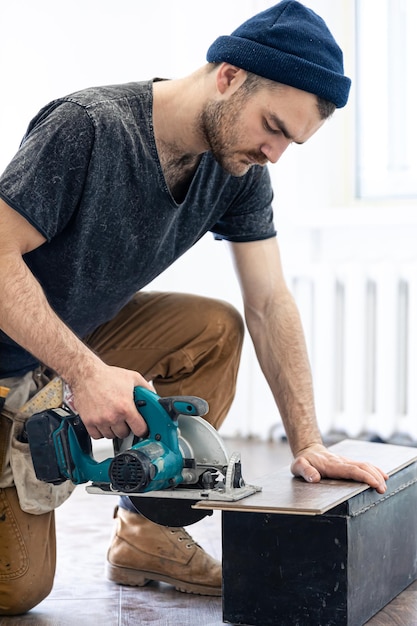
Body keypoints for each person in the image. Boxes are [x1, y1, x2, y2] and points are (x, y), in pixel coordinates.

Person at [0, 0, 388, 615]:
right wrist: (86, 373)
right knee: (18, 590)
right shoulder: (89, 127)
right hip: (9, 350)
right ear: (229, 75)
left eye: (293, 141)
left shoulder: (237, 168)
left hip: (61, 346)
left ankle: (147, 533)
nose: (275, 152)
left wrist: (307, 443)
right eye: (274, 127)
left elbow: (268, 300)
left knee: (212, 328)